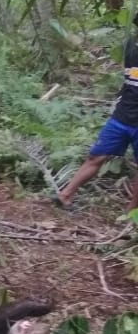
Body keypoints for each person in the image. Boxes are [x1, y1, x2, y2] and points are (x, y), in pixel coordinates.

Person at [54, 17, 138, 212]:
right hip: (122, 115)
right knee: (96, 157)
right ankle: (65, 195)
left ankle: (131, 213)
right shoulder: (130, 46)